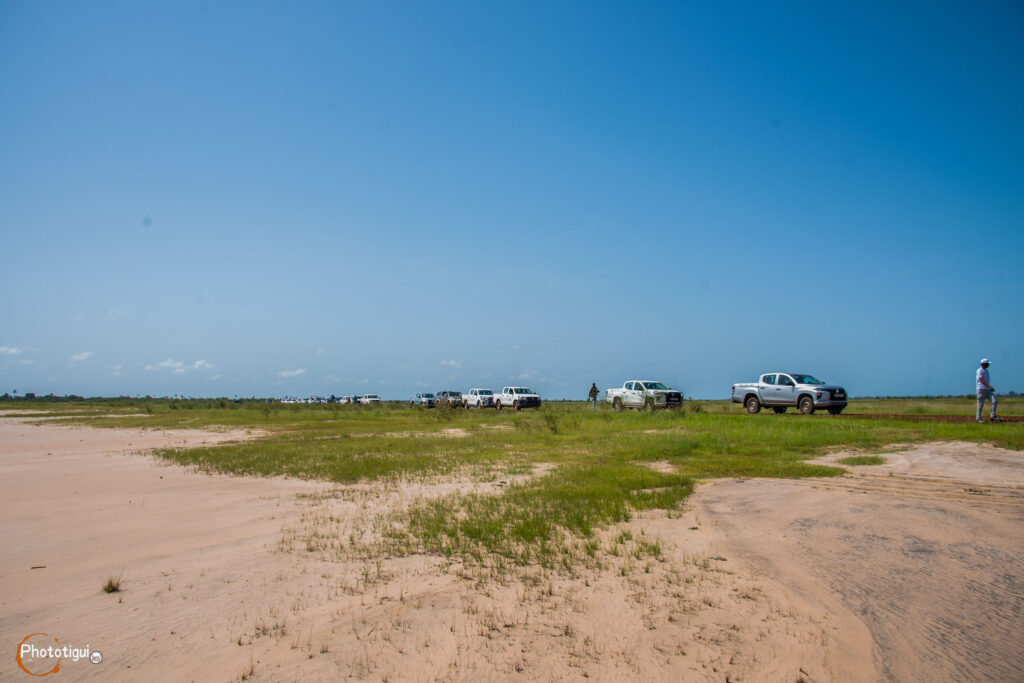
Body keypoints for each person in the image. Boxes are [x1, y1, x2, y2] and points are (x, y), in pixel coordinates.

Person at [976, 358, 1001, 423]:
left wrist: (988, 387)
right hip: (981, 389)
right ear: (983, 364)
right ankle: (978, 418)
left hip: (987, 389)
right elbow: (981, 379)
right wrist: (989, 386)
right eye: (987, 364)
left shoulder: (986, 371)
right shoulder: (979, 370)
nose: (988, 365)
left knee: (994, 401)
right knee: (980, 404)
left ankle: (993, 416)